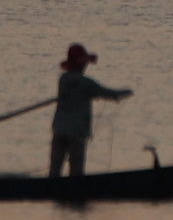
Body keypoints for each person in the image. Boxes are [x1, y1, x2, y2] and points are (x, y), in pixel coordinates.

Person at [49, 43, 132, 178]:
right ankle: (75, 195)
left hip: (59, 130)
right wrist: (125, 93)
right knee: (76, 175)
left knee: (53, 174)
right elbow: (109, 94)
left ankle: (51, 192)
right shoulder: (87, 84)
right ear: (81, 64)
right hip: (77, 133)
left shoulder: (63, 80)